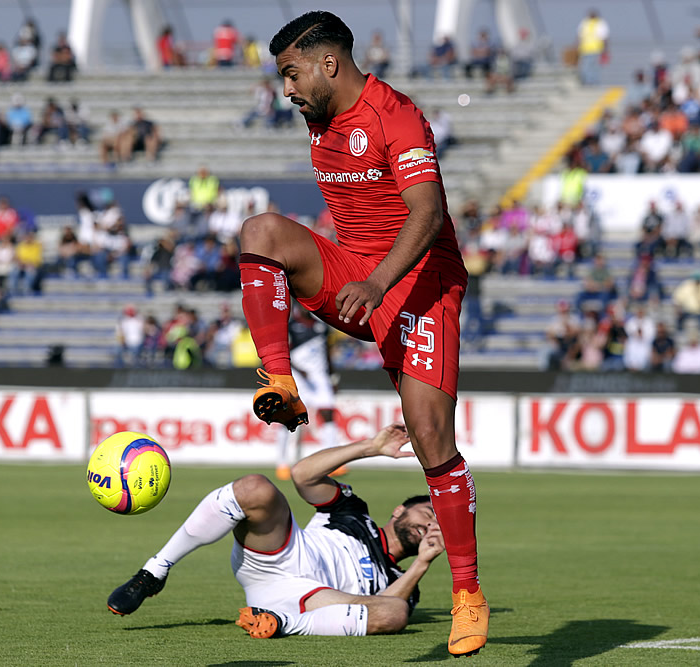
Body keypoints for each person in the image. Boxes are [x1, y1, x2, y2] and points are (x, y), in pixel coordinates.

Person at [235, 12, 486, 655]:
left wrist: (377, 283)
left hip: (419, 281)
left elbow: (429, 213)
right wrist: (363, 278)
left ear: (329, 64)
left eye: (292, 73)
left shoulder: (395, 116)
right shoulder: (318, 116)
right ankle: (279, 379)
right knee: (261, 231)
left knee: (430, 435)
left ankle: (466, 593)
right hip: (358, 276)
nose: (286, 89)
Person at [107, 424, 445, 640]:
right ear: (399, 510)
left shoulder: (403, 580)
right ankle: (155, 571)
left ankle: (278, 622)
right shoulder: (354, 512)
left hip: (313, 598)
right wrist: (368, 448)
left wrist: (423, 563)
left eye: (438, 526)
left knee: (395, 612)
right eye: (429, 513)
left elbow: (389, 607)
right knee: (255, 488)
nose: (430, 524)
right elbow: (303, 475)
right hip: (285, 553)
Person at [275, 305, 340, 481]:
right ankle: (282, 463)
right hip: (298, 378)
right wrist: (297, 369)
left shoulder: (321, 326)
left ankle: (332, 462)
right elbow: (283, 352)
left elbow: (327, 353)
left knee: (328, 415)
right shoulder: (290, 326)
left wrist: (332, 377)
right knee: (288, 418)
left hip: (320, 378)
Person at [577, 9, 609, 85]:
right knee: (586, 68)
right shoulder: (586, 23)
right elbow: (580, 36)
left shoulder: (599, 23)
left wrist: (605, 50)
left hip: (595, 50)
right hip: (585, 50)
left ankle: (592, 83)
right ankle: (589, 83)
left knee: (592, 67)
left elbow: (604, 38)